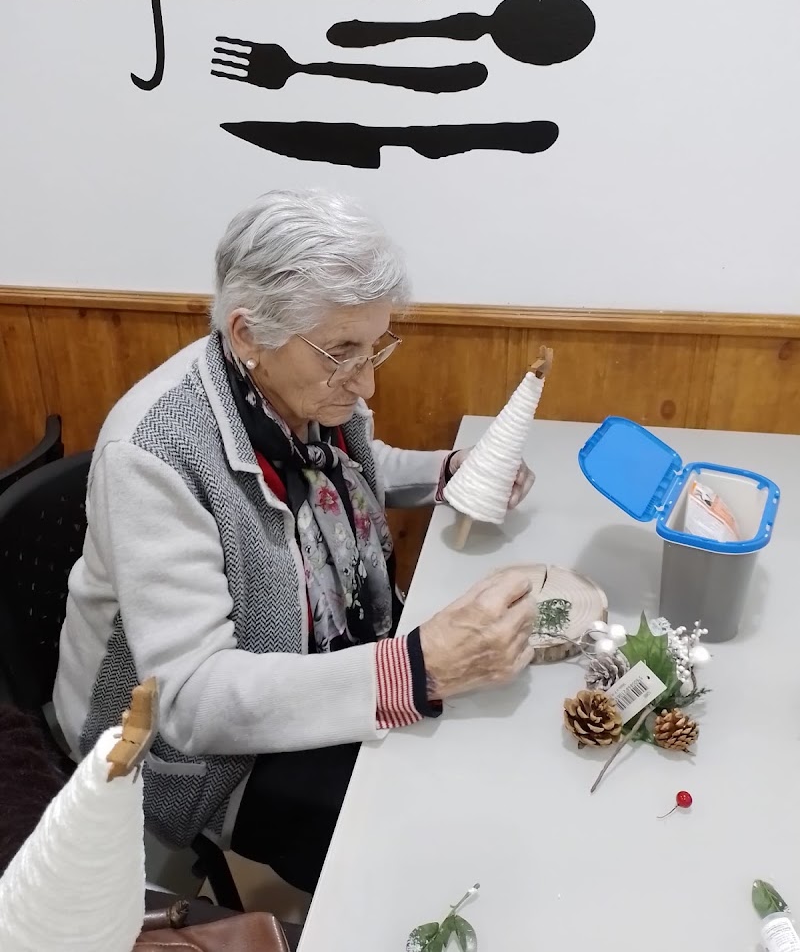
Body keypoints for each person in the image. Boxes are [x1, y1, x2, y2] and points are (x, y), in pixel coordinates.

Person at [54, 189, 538, 893]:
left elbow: (345, 472)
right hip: (187, 752)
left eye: (375, 347)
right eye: (343, 353)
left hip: (308, 666)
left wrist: (445, 472)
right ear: (248, 334)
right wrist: (413, 669)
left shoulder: (295, 381)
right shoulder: (154, 453)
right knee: (416, 841)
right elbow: (191, 699)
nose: (367, 382)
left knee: (471, 755)